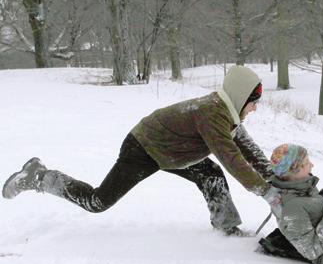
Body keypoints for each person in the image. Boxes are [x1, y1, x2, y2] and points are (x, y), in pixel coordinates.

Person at [2, 66, 281, 236]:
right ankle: (39, 176)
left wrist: (275, 177)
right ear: (239, 97)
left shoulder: (229, 113)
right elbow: (232, 157)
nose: (255, 108)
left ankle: (225, 229)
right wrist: (266, 192)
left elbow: (248, 149)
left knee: (209, 172)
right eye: (253, 102)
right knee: (98, 201)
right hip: (144, 147)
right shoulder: (212, 114)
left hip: (176, 151)